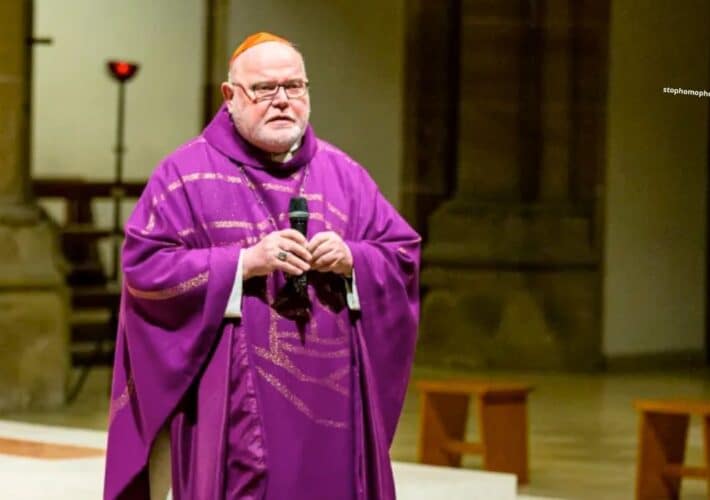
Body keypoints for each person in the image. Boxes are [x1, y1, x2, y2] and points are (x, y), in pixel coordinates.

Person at [104, 32, 420, 500]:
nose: (282, 101)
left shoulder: (344, 174)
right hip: (234, 404)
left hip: (334, 403)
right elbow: (145, 268)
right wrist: (243, 262)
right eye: (265, 89)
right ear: (230, 96)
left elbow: (401, 253)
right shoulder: (185, 175)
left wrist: (353, 258)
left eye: (294, 87)